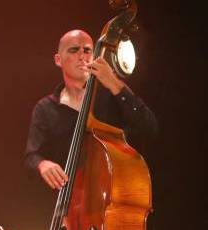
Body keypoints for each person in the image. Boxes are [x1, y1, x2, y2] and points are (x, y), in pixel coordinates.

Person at [24, 29, 157, 190]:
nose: (82, 56)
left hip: (112, 196)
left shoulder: (111, 94)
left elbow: (149, 127)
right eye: (74, 50)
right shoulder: (45, 108)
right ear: (58, 60)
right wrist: (42, 164)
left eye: (87, 50)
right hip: (68, 205)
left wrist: (114, 83)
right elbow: (31, 156)